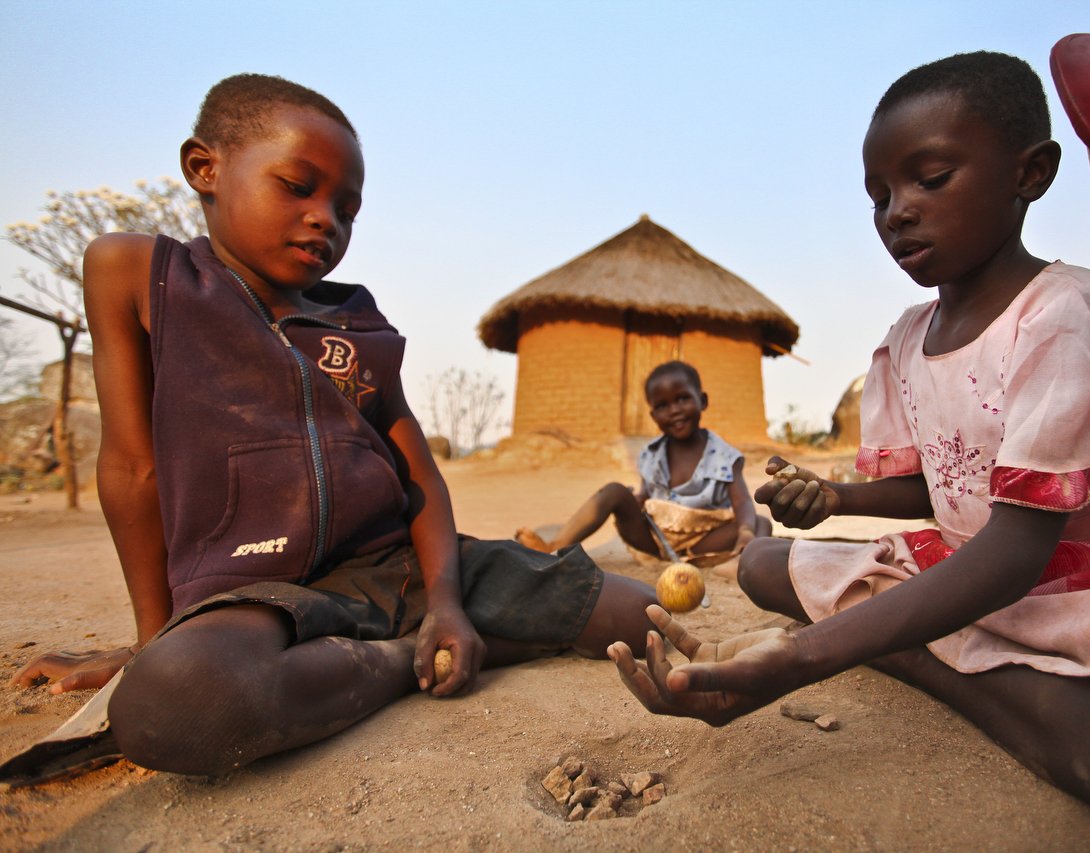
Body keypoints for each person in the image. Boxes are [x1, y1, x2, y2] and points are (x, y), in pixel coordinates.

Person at [608, 52, 1090, 847]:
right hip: (951, 560)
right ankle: (934, 643)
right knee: (760, 563)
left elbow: (1014, 552)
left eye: (929, 179)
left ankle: (925, 655)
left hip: (1077, 576)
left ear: (1029, 173)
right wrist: (837, 499)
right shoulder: (904, 342)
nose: (897, 211)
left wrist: (802, 659)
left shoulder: (1065, 316)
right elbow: (940, 485)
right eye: (880, 196)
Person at [7, 73, 657, 779]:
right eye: (297, 186)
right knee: (169, 699)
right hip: (262, 595)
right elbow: (133, 468)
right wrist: (153, 640)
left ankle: (433, 636)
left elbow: (419, 478)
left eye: (347, 210)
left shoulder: (360, 323)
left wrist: (444, 601)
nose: (326, 219)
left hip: (399, 572)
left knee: (642, 614)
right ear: (206, 168)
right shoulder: (143, 274)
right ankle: (395, 663)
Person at [516, 360, 770, 566]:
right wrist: (636, 499)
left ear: (702, 401)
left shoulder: (724, 456)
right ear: (653, 415)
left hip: (705, 541)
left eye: (682, 399)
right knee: (614, 491)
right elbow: (648, 495)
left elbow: (742, 502)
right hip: (655, 540)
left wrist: (745, 530)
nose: (674, 410)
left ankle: (739, 561)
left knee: (760, 524)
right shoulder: (651, 455)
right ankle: (554, 546)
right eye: (662, 405)